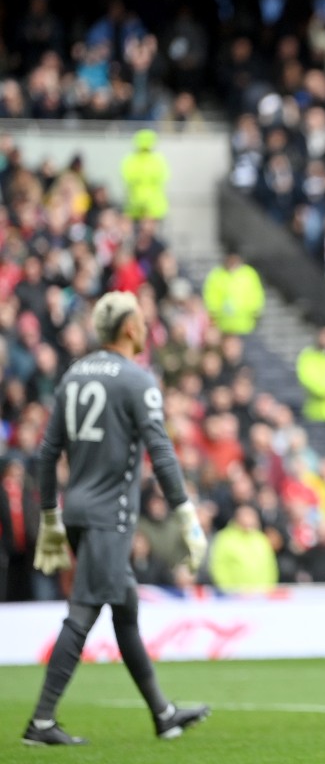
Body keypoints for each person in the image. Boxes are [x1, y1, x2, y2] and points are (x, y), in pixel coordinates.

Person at [23, 291, 210, 746]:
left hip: (79, 512)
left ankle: (163, 713)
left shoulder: (73, 375)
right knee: (83, 613)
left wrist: (50, 515)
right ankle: (41, 722)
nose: (147, 328)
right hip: (111, 516)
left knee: (124, 610)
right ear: (129, 328)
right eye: (142, 321)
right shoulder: (136, 379)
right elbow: (161, 451)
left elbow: (48, 453)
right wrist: (185, 511)